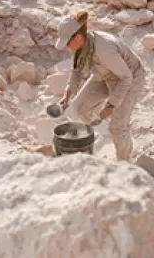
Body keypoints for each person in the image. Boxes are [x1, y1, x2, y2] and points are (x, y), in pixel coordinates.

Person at [56, 11, 146, 161]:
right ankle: (96, 137)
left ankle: (124, 164)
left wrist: (111, 106)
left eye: (67, 42)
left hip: (129, 77)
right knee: (78, 109)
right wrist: (67, 95)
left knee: (117, 127)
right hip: (104, 74)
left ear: (77, 37)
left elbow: (126, 77)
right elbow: (76, 71)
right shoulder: (82, 47)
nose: (67, 47)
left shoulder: (104, 50)